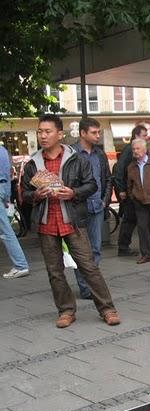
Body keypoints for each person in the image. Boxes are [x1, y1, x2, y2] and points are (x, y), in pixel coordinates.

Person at [22, 114, 120, 328]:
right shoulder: (33, 163)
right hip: (47, 224)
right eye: (40, 132)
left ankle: (107, 308)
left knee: (88, 266)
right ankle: (66, 310)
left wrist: (73, 192)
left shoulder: (77, 159)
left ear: (60, 134)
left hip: (72, 221)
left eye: (47, 132)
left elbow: (92, 185)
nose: (43, 136)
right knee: (54, 271)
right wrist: (37, 195)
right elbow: (25, 194)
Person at [71, 117, 112, 299]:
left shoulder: (100, 154)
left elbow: (107, 178)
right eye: (94, 132)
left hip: (97, 206)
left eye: (98, 132)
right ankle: (84, 286)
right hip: (78, 207)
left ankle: (91, 286)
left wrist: (104, 200)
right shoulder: (72, 153)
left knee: (95, 248)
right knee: (80, 250)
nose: (98, 136)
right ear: (82, 133)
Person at [113, 124, 148, 256]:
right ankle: (123, 246)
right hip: (130, 191)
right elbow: (120, 169)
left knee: (134, 218)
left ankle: (127, 245)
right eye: (144, 135)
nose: (147, 137)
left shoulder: (134, 149)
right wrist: (121, 189)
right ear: (137, 135)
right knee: (130, 219)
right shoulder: (129, 150)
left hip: (134, 190)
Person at [0, 144, 29, 279]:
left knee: (5, 231)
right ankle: (20, 264)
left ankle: (20, 265)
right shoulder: (3, 151)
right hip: (2, 189)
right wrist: (5, 196)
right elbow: (6, 175)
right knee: (5, 230)